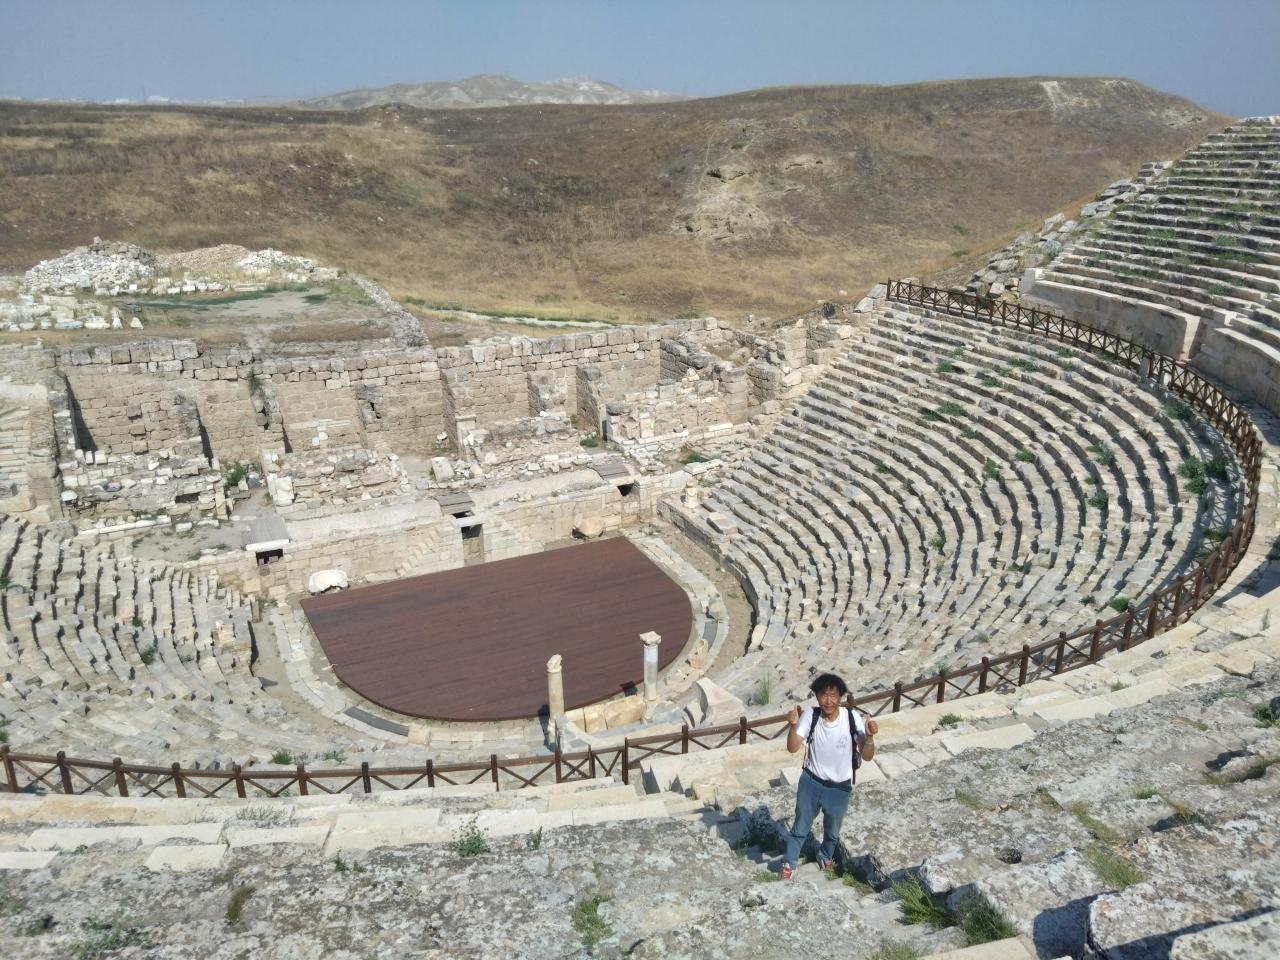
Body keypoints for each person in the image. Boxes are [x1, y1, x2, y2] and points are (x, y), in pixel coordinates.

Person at [780, 672, 878, 879]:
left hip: (840, 786)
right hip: (811, 781)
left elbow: (867, 755)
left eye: (833, 695)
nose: (828, 701)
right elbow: (792, 747)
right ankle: (789, 863)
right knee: (801, 825)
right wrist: (793, 725)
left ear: (840, 697)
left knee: (833, 829)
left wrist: (869, 737)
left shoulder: (851, 718)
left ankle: (825, 855)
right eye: (823, 695)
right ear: (816, 696)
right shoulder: (811, 715)